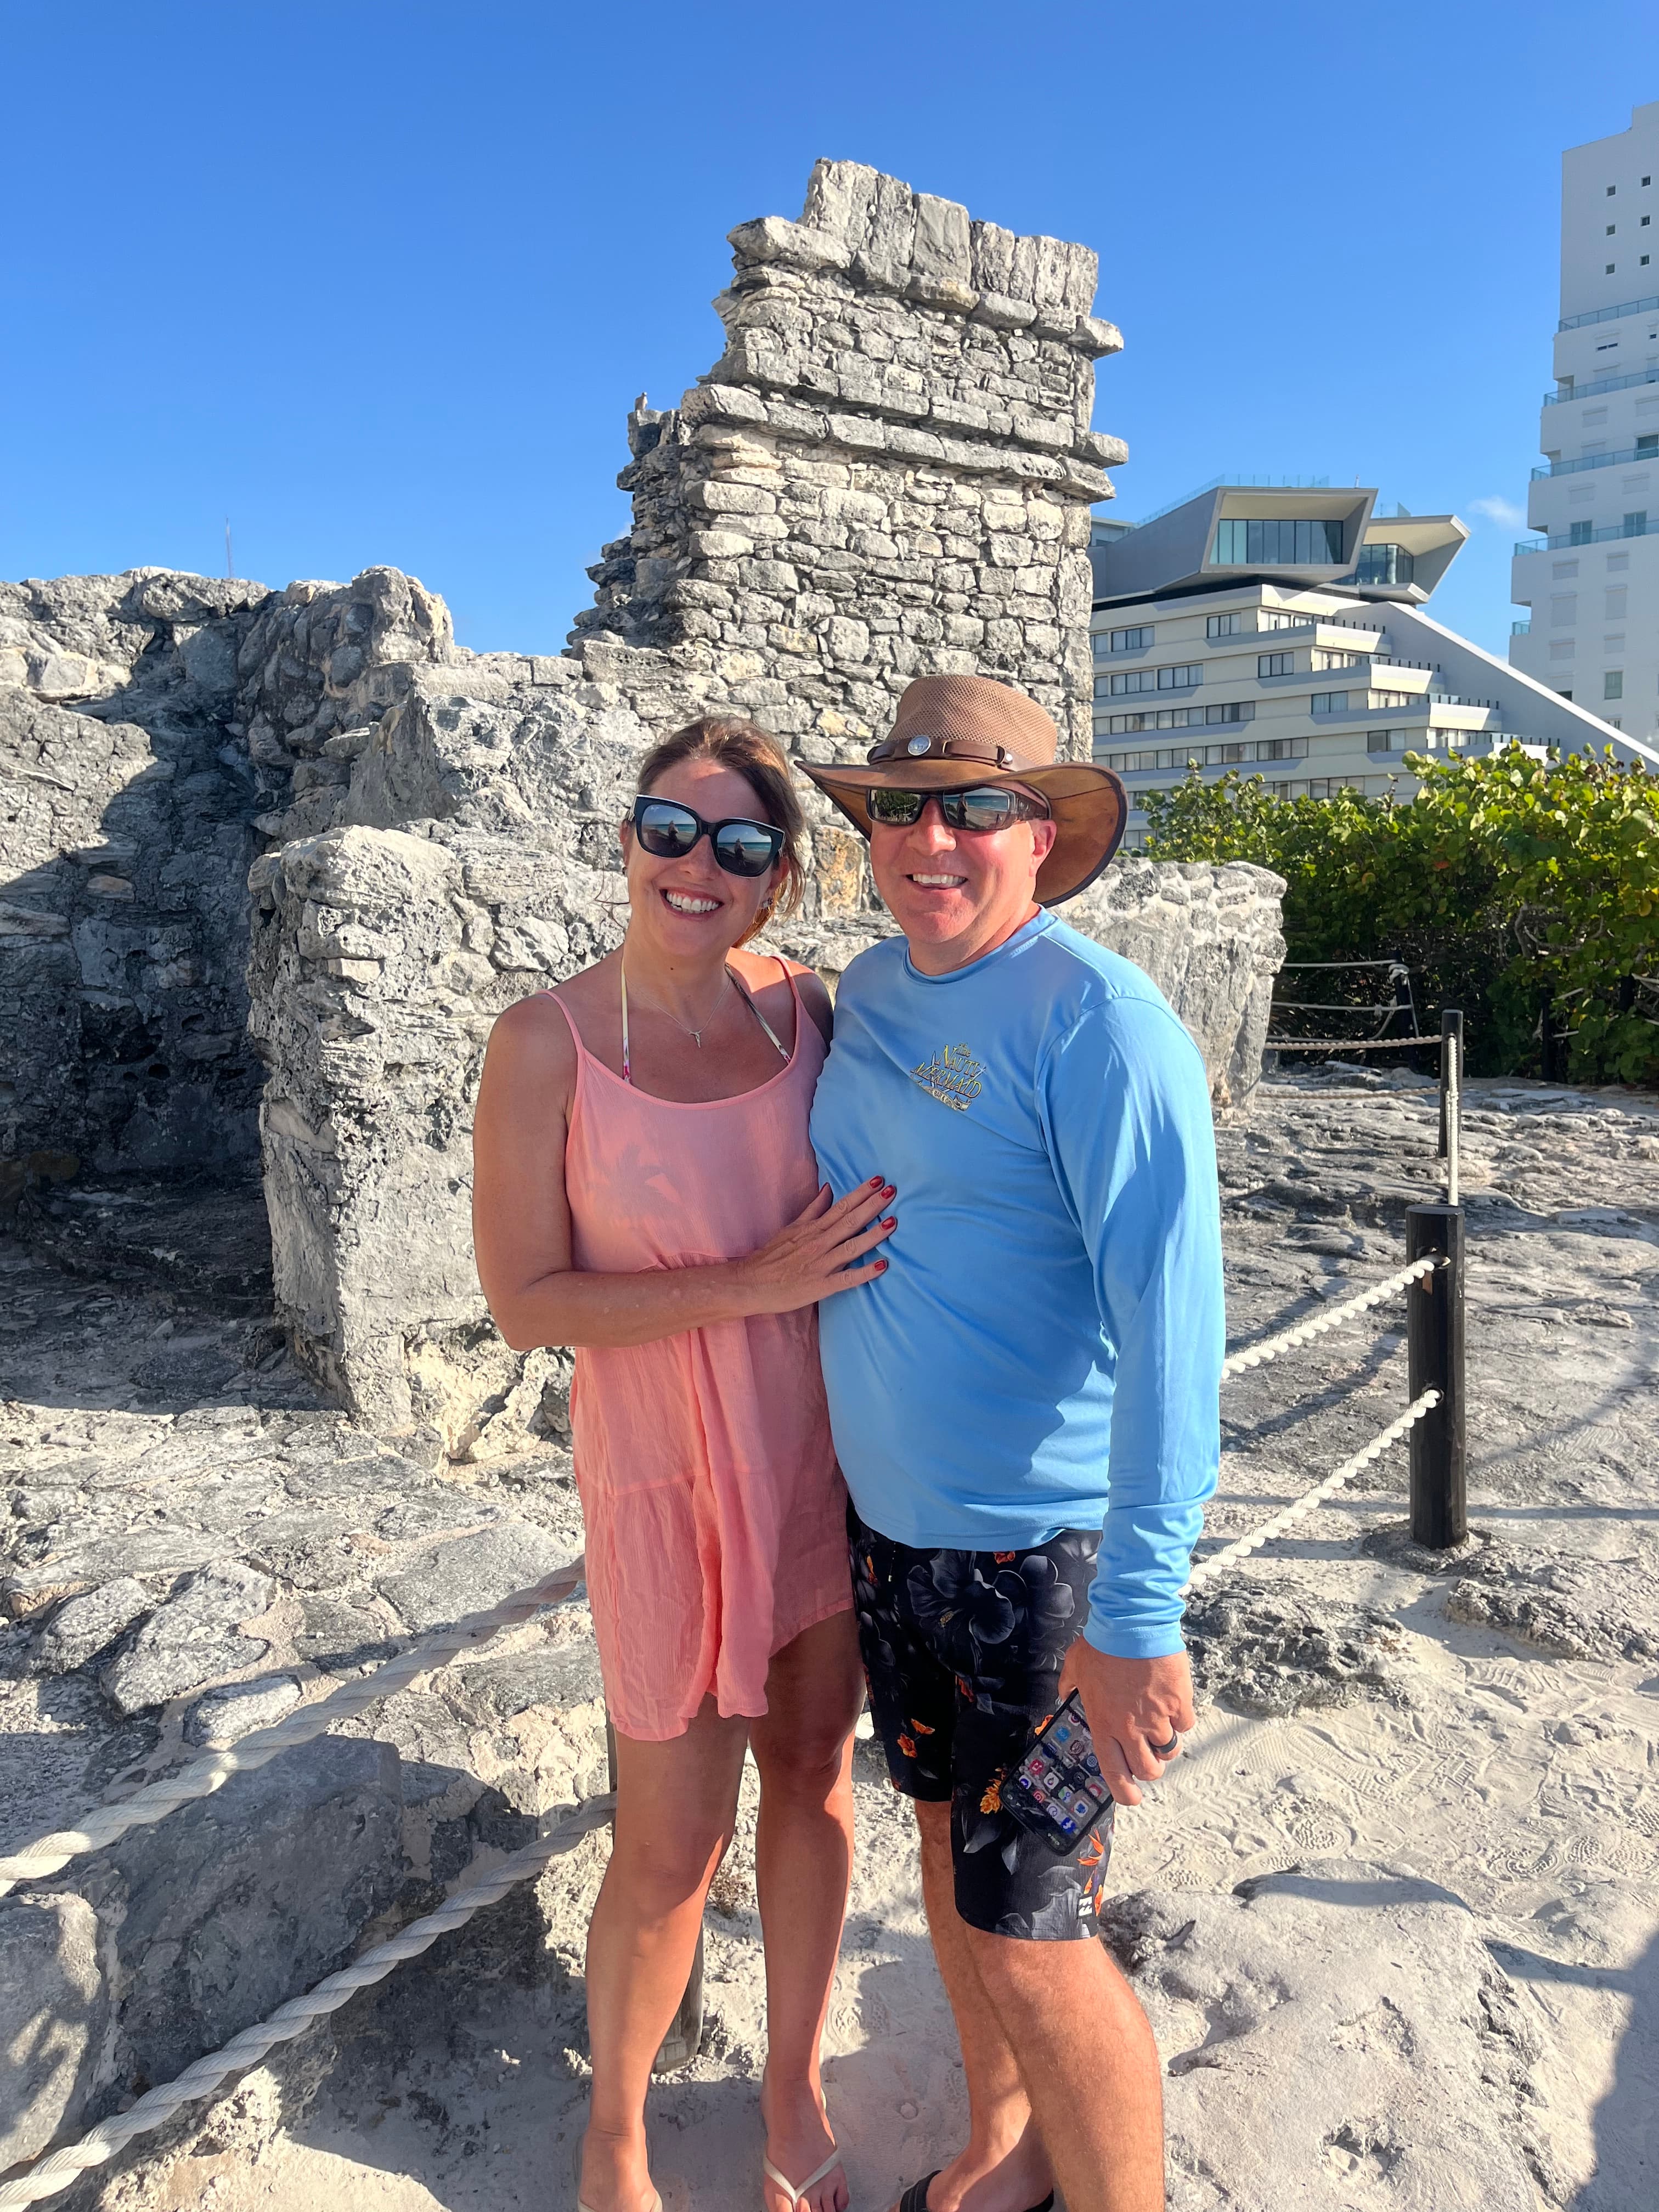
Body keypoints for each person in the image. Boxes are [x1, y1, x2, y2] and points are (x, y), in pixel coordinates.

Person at [803, 674, 1224, 2212]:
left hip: (1045, 1566)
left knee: (1034, 1942)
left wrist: (1141, 1615)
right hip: (895, 1540)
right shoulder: (869, 987)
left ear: (1040, 835)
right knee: (947, 1870)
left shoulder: (1101, 1023)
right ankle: (1005, 2148)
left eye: (975, 806)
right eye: (901, 807)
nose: (933, 837)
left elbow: (1177, 1328)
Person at [472, 716, 894, 2212]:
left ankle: (791, 2083)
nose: (695, 866)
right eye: (669, 829)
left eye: (741, 844)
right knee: (668, 1843)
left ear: (781, 880)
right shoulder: (548, 1041)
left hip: (813, 1465)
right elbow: (527, 1303)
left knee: (813, 1781)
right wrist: (754, 1286)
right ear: (628, 841)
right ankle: (616, 2137)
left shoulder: (815, 1012)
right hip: (661, 1478)